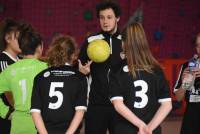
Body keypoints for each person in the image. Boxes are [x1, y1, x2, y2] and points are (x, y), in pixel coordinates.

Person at [109, 22, 172, 134]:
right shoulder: (156, 69)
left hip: (125, 130)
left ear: (124, 43)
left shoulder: (116, 69)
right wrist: (148, 129)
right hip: (152, 130)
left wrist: (141, 125)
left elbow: (118, 105)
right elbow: (167, 105)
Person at [78, 1, 122, 134]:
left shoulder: (126, 40)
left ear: (117, 18)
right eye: (102, 17)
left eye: (109, 17)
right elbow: (80, 67)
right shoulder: (91, 41)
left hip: (121, 104)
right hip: (96, 104)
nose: (105, 21)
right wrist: (82, 71)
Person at [30, 35, 88, 134]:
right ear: (73, 55)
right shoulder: (80, 78)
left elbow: (35, 112)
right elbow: (80, 112)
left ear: (53, 52)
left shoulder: (40, 77)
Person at [0, 24, 47, 134]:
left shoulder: (9, 70)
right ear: (40, 47)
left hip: (18, 124)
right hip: (41, 123)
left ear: (21, 47)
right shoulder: (46, 68)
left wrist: (5, 112)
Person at [174, 33, 200, 134]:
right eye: (198, 45)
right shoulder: (187, 66)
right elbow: (179, 98)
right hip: (190, 121)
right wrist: (186, 83)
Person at [0, 18, 21, 134]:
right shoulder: (3, 62)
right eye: (18, 38)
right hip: (7, 122)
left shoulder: (21, 60)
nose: (22, 41)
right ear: (8, 38)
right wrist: (8, 113)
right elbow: (8, 92)